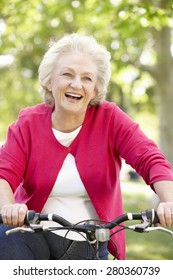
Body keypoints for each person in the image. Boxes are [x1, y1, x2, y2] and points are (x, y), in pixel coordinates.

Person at [0, 33, 173, 260]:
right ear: (50, 81)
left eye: (87, 78)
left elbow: (150, 159)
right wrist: (8, 207)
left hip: (91, 242)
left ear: (95, 89)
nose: (76, 84)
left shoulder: (110, 119)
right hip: (33, 238)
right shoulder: (28, 123)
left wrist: (168, 201)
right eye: (67, 74)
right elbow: (4, 173)